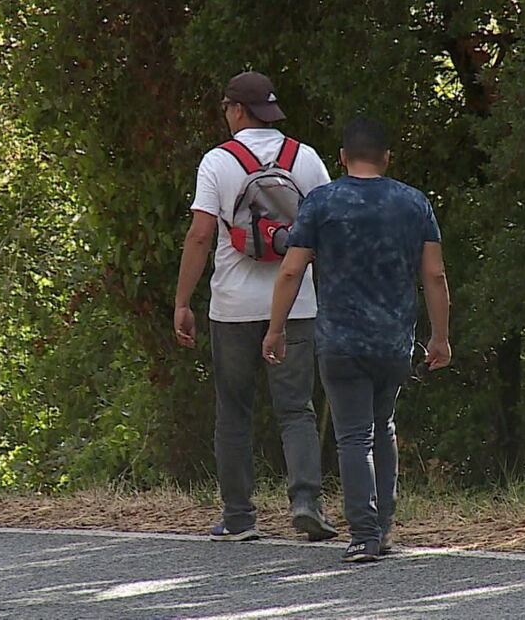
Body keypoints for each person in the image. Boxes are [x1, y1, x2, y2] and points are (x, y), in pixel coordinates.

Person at [262, 117, 451, 562]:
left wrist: (276, 329)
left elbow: (291, 270)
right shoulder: (414, 203)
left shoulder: (322, 202)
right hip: (393, 340)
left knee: (353, 436)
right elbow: (435, 274)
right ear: (387, 157)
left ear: (343, 157)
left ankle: (363, 534)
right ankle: (382, 528)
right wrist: (440, 336)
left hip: (340, 341)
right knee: (383, 427)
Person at [174, 71, 336, 542]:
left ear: (237, 110)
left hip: (232, 307)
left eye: (226, 107)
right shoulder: (305, 158)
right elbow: (329, 225)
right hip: (296, 304)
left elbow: (200, 235)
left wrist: (182, 301)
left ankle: (240, 517)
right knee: (296, 409)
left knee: (233, 411)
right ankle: (306, 502)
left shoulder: (218, 161)